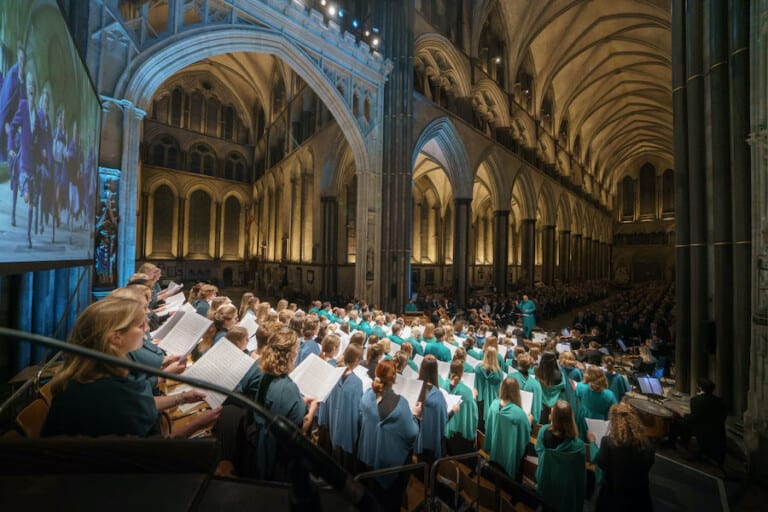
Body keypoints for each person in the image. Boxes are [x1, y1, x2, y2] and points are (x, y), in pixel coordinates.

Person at [42, 297, 219, 438]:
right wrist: (196, 425)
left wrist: (181, 398)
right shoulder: (109, 391)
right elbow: (156, 452)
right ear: (115, 338)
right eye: (141, 325)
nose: (147, 329)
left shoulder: (97, 370)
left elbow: (139, 404)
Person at [357, 359, 419, 511]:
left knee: (372, 498)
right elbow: (412, 434)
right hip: (388, 464)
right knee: (390, 502)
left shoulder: (366, 396)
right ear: (394, 378)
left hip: (367, 456)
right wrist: (415, 416)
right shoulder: (401, 404)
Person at [592, 403, 655, 511]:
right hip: (639, 499)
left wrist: (593, 442)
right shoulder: (647, 446)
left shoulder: (608, 443)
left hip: (613, 497)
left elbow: (600, 462)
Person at [535, 401, 586, 512]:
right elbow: (580, 474)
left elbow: (539, 451)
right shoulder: (578, 445)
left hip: (546, 479)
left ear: (553, 416)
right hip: (566, 488)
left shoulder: (543, 431)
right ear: (570, 418)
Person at [671, 377, 727, 467]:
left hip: (702, 430)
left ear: (700, 388)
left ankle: (678, 444)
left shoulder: (696, 400)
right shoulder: (720, 401)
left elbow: (694, 418)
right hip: (717, 431)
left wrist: (683, 414)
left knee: (678, 421)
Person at [483, 377, 531, 481]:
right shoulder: (520, 414)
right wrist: (529, 422)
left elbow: (488, 426)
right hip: (509, 455)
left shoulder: (493, 405)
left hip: (494, 452)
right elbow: (525, 436)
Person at [325, 344, 364, 472]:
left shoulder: (335, 372)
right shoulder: (357, 383)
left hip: (333, 424)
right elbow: (358, 411)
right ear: (357, 360)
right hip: (347, 430)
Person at [414, 355, 453, 464]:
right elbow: (443, 420)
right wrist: (453, 411)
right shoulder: (437, 395)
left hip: (416, 436)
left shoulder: (415, 385)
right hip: (429, 440)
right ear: (435, 371)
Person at [442, 360, 478, 455]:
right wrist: (473, 397)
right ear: (462, 372)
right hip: (459, 435)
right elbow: (473, 414)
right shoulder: (466, 391)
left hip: (445, 431)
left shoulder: (444, 385)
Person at [473, 346, 505, 430]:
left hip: (480, 399)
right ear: (496, 357)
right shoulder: (499, 373)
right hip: (492, 402)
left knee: (479, 425)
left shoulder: (478, 368)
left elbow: (475, 384)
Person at [510, 353, 543, 424]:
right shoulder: (536, 385)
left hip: (510, 419)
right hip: (527, 422)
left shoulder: (510, 378)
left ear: (519, 363)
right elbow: (537, 409)